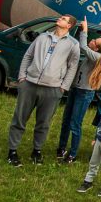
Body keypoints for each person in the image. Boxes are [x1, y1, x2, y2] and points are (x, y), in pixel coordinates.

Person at [7, 14, 80, 167]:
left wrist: (63, 88)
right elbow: (28, 56)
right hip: (29, 84)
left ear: (69, 26)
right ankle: (12, 151)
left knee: (43, 122)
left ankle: (37, 150)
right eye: (61, 17)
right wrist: (22, 78)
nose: (60, 19)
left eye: (64, 19)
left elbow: (73, 67)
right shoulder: (42, 37)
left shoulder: (73, 44)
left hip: (53, 89)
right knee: (19, 118)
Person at [56, 18, 101, 163]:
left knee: (75, 124)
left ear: (97, 48)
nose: (91, 41)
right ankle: (61, 148)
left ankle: (72, 154)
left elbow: (83, 46)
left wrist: (85, 30)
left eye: (95, 41)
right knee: (66, 120)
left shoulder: (97, 57)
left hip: (84, 93)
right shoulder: (95, 55)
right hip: (76, 90)